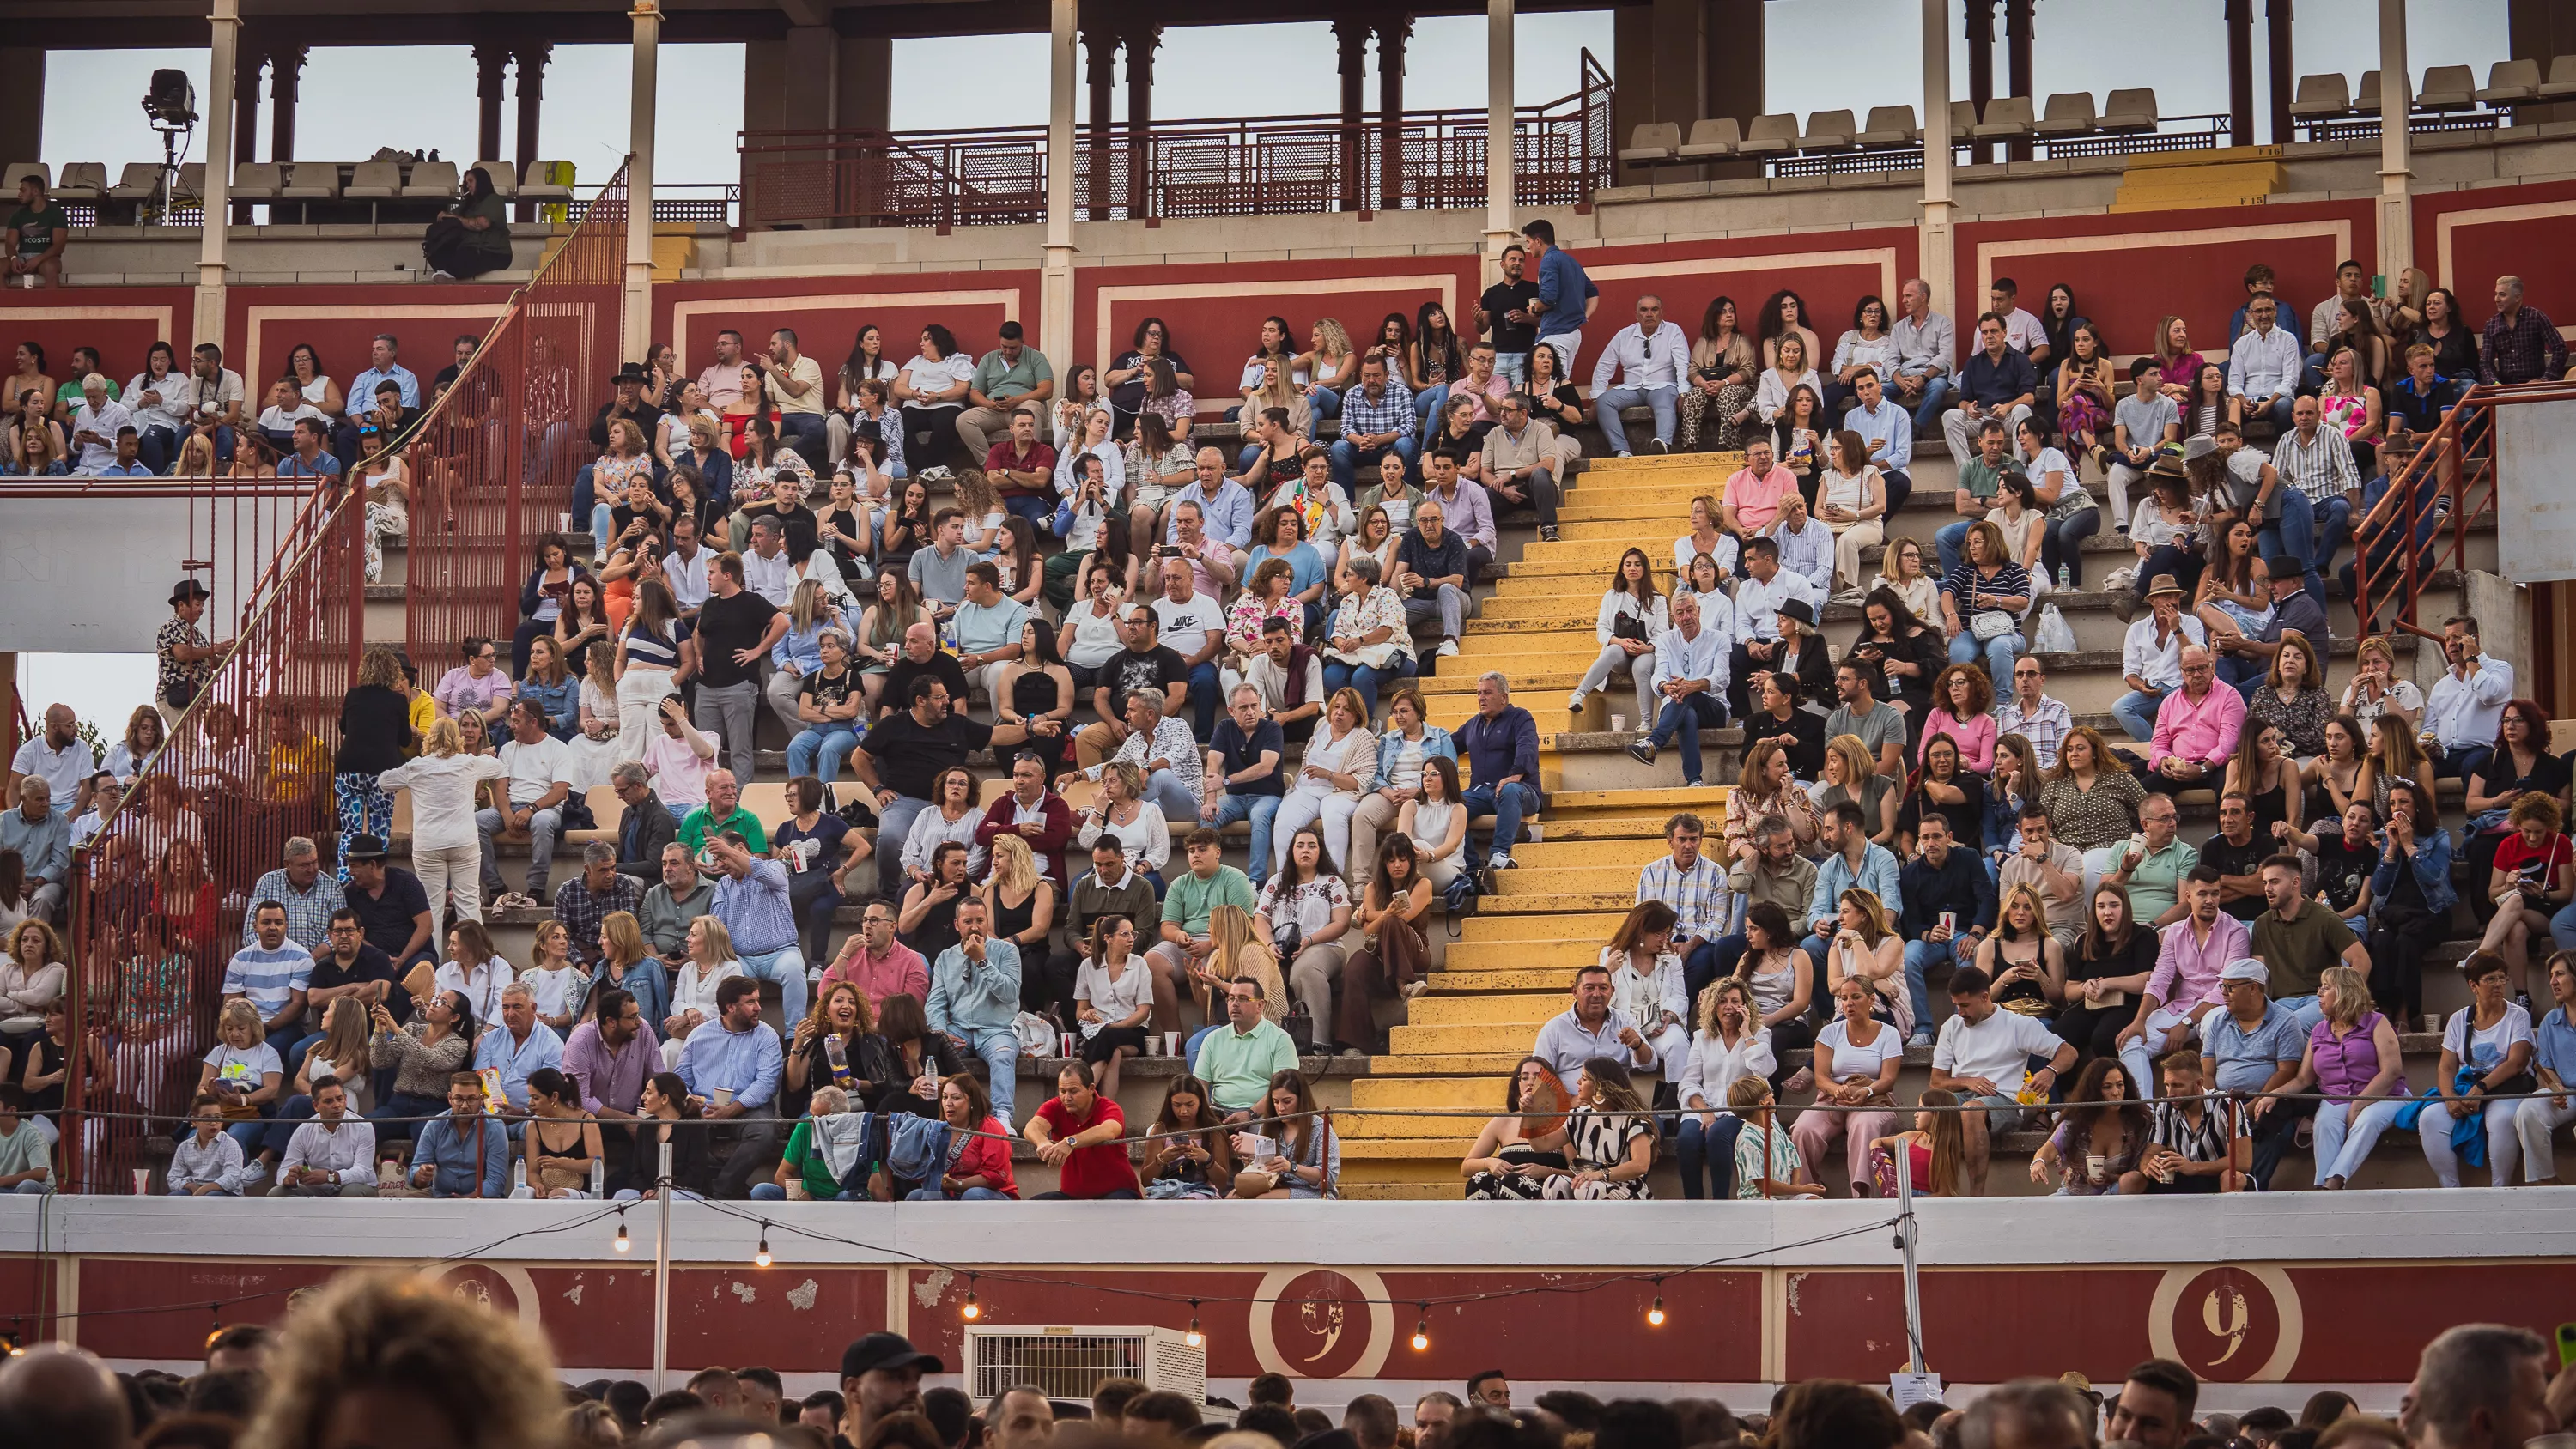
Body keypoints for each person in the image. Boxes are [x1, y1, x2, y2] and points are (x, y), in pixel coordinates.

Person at [1929, 964, 2075, 1193]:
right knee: (1930, 1102)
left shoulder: (2018, 1024)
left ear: (1985, 997)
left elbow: (2069, 1052)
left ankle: (1976, 1196)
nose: (1960, 1012)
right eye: (1956, 1005)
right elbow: (1936, 1081)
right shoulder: (1952, 1025)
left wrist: (2050, 1071)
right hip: (1962, 1095)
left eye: (1965, 1005)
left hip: (2004, 1100)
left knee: (1971, 1110)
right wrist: (1968, 1081)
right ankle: (1941, 1190)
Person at [2117, 868, 2245, 1093]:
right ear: (2188, 897)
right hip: (2181, 1005)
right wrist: (2139, 1020)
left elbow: (2226, 987)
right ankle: (2145, 1113)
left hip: (2217, 1008)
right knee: (2130, 1040)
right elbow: (2160, 978)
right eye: (2202, 894)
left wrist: (2186, 1024)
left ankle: (2209, 1103)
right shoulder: (2174, 933)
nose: (2210, 900)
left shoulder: (2236, 932)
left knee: (2211, 1022)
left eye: (2215, 894)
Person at [1791, 977, 1903, 1196]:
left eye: (1856, 997)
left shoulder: (1889, 1033)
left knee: (1865, 1126)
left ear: (1871, 1000)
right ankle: (1806, 1191)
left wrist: (1866, 1091)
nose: (1848, 1003)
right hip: (1833, 1098)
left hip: (1872, 1100)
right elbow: (1821, 1077)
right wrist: (1836, 1090)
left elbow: (1888, 1079)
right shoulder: (1830, 1032)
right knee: (1803, 1129)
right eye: (1844, 998)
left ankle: (1863, 1196)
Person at [1898, 811, 1995, 1046]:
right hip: (1931, 937)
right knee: (1909, 957)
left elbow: (1987, 898)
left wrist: (1975, 934)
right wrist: (1926, 934)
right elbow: (1909, 918)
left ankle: (1958, 1025)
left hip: (1965, 931)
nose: (1931, 844)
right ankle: (1923, 1029)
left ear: (1949, 836)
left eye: (1937, 836)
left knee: (1969, 955)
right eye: (1925, 838)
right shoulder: (1910, 873)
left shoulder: (1969, 858)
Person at [476, 700, 574, 912]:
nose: (511, 726)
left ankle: (536, 889)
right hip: (511, 805)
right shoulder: (508, 749)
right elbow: (500, 789)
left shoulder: (558, 748)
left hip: (545, 808)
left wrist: (531, 809)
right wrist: (505, 814)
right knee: (475, 822)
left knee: (541, 822)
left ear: (533, 722)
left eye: (517, 721)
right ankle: (495, 887)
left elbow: (559, 791)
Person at [1629, 590, 1730, 787]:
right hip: (1676, 703)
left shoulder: (1719, 638)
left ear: (1699, 611)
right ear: (1673, 618)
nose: (1686, 617)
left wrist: (1693, 686)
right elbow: (1659, 674)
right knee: (1687, 713)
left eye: (1690, 611)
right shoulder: (1666, 640)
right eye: (1680, 613)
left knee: (1686, 694)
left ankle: (1654, 742)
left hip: (1713, 707)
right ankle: (1694, 780)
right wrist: (1664, 686)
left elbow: (1722, 677)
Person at [1455, 671, 1542, 877]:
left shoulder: (1521, 717)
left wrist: (1516, 773)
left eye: (1487, 692)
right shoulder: (1472, 725)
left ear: (1504, 697)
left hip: (1522, 790)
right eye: (1478, 693)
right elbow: (1446, 748)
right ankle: (1471, 865)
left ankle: (1499, 855)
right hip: (1480, 791)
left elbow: (1528, 747)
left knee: (1510, 789)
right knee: (1450, 805)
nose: (1481, 698)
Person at [1026, 1060, 1140, 1200]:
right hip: (1073, 1197)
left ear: (1091, 1089)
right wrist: (1042, 1142)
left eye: (1074, 1091)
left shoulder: (1109, 1107)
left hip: (1119, 1194)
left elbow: (1109, 1130)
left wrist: (1070, 1142)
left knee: (1116, 1204)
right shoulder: (1055, 1106)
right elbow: (1032, 1127)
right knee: (1034, 1206)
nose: (1067, 1098)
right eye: (1062, 1091)